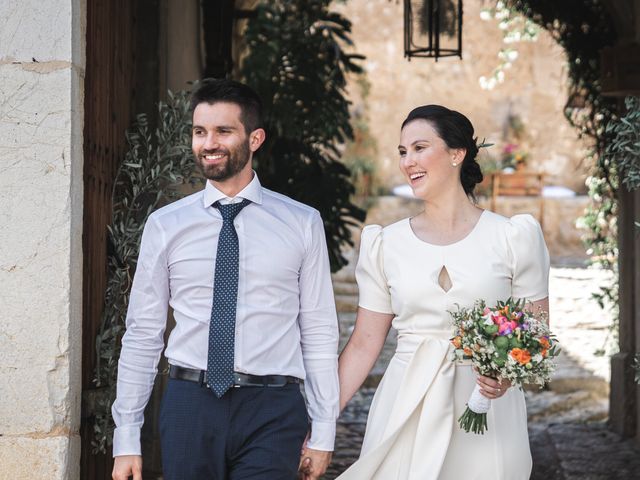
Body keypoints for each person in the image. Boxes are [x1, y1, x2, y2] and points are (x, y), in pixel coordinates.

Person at [111, 78, 339, 480]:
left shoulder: (302, 223)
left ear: (255, 138)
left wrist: (323, 430)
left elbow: (318, 330)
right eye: (200, 132)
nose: (208, 143)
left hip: (273, 408)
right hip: (189, 405)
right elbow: (144, 332)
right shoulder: (166, 225)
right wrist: (127, 435)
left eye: (223, 131)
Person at [337, 105, 550, 479]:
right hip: (406, 404)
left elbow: (536, 334)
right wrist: (319, 423)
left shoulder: (513, 237)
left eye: (419, 148)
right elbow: (363, 344)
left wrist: (506, 376)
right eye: (403, 152)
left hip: (486, 412)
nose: (408, 161)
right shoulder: (384, 244)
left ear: (456, 153)